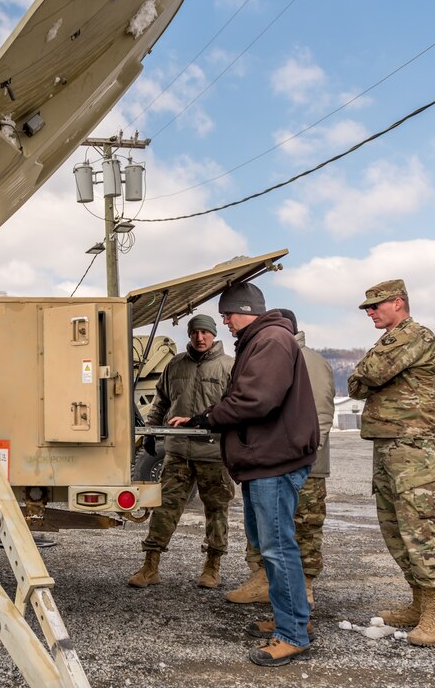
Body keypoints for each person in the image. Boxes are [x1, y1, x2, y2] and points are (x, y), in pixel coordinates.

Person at [171, 283, 319, 667]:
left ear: (247, 310)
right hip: (262, 460)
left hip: (273, 461)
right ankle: (291, 619)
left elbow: (256, 400)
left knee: (277, 548)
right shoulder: (261, 339)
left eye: (228, 314)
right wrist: (205, 416)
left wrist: (207, 418)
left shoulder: (269, 340)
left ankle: (292, 635)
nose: (225, 322)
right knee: (268, 545)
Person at [348, 279, 435, 647]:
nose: (371, 313)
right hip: (388, 445)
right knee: (393, 528)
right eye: (368, 308)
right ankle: (417, 602)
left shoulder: (415, 335)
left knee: (418, 529)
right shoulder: (389, 342)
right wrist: (366, 374)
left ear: (398, 302)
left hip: (414, 448)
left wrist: (367, 373)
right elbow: (354, 386)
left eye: (375, 306)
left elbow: (370, 375)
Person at [226, 309, 335, 611]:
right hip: (280, 458)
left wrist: (304, 458)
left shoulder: (307, 360)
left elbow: (322, 414)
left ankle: (304, 592)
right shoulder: (266, 353)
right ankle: (268, 586)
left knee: (303, 529)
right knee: (272, 532)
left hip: (300, 461)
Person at [128, 314, 234, 589]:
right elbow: (160, 402)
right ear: (189, 335)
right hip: (178, 452)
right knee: (164, 508)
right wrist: (152, 432)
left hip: (213, 453)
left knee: (216, 510)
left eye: (205, 333)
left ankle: (212, 566)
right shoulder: (175, 365)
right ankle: (150, 566)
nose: (200, 338)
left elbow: (235, 408)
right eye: (195, 332)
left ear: (213, 334)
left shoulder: (228, 367)